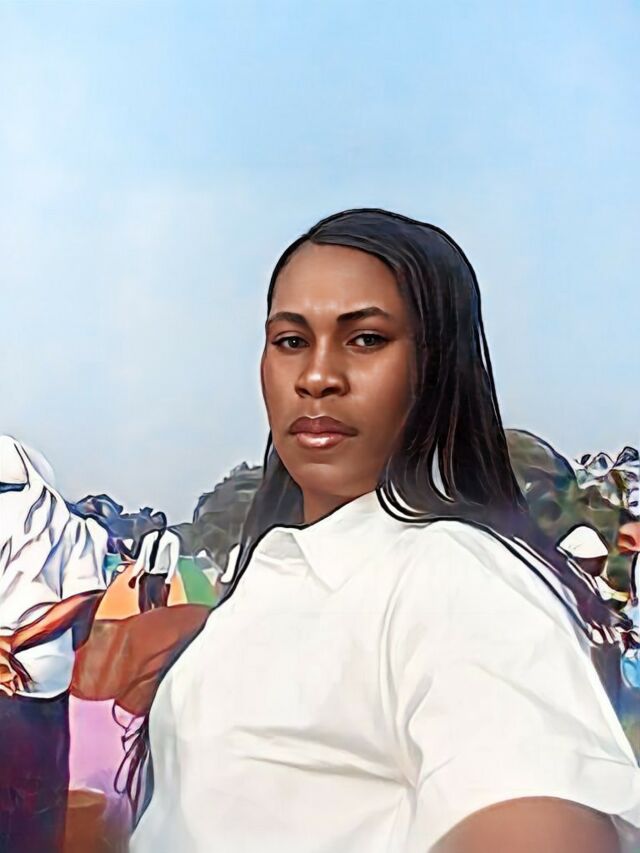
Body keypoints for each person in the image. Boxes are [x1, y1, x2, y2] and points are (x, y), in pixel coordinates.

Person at [131, 210, 640, 853]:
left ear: (436, 368)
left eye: (366, 339)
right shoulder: (283, 569)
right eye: (291, 340)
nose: (318, 376)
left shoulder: (447, 575)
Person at [0, 435, 107, 852]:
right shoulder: (70, 526)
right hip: (40, 678)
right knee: (37, 800)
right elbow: (83, 597)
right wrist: (17, 640)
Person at [130, 514, 180, 612]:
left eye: (159, 521)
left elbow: (173, 561)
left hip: (161, 578)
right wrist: (134, 576)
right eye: (155, 521)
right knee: (144, 608)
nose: (156, 523)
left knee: (160, 609)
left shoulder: (172, 539)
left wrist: (168, 580)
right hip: (146, 577)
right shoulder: (148, 537)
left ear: (164, 523)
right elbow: (142, 558)